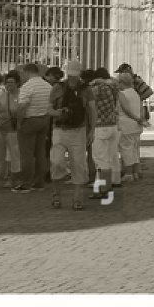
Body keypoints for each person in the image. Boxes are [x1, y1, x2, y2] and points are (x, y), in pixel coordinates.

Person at [48, 66, 89, 210]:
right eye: (71, 76)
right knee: (57, 162)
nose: (73, 79)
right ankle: (56, 194)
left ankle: (77, 198)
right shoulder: (58, 88)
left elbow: (92, 109)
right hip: (60, 129)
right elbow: (48, 109)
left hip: (79, 130)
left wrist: (93, 130)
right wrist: (58, 113)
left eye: (75, 76)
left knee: (78, 165)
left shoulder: (86, 89)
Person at [14, 61, 53, 190]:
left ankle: (26, 182)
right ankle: (39, 181)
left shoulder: (27, 86)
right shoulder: (47, 86)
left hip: (29, 120)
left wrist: (19, 122)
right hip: (44, 120)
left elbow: (22, 106)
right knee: (40, 152)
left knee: (27, 153)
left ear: (27, 72)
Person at [83, 66, 122, 195]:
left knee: (100, 160)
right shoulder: (114, 87)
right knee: (109, 157)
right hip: (112, 124)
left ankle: (103, 188)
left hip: (100, 126)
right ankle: (108, 184)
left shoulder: (96, 89)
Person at [116, 69, 144, 181]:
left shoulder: (122, 94)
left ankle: (128, 173)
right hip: (136, 125)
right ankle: (136, 171)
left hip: (126, 125)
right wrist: (140, 119)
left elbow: (126, 110)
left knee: (126, 149)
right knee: (135, 149)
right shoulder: (135, 93)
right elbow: (141, 108)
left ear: (121, 83)